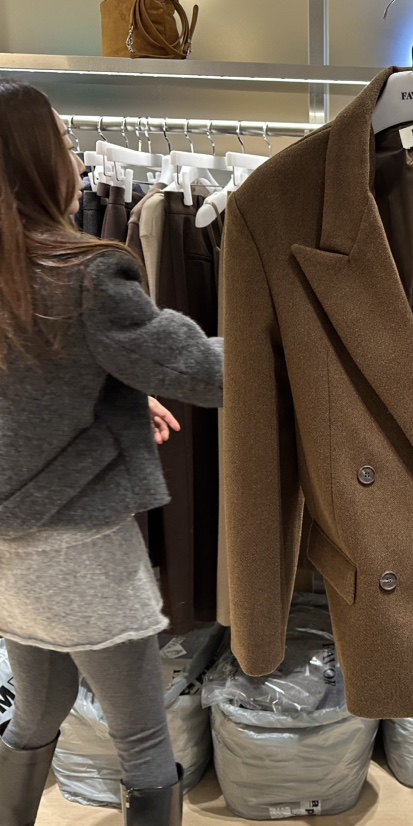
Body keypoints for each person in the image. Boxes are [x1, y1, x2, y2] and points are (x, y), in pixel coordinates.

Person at [0, 80, 223, 826]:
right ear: (37, 158)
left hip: (7, 555)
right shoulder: (86, 271)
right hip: (82, 550)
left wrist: (119, 395)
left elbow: (30, 386)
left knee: (39, 707)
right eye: (65, 142)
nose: (74, 156)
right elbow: (201, 371)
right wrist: (293, 343)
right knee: (142, 735)